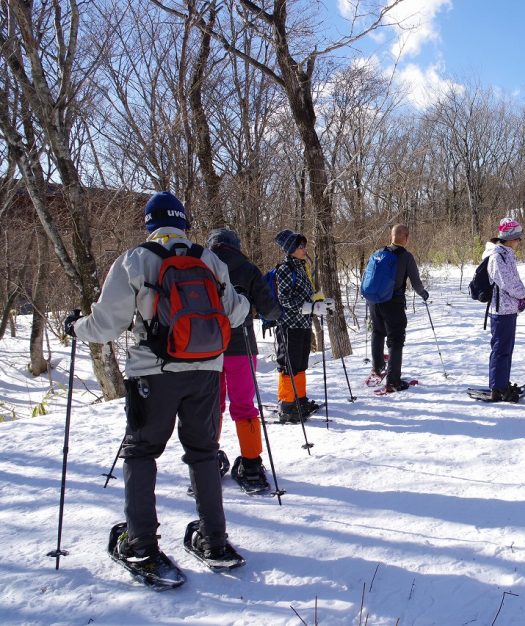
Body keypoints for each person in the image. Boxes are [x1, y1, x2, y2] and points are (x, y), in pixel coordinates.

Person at [64, 191, 249, 565]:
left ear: (149, 225)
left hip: (153, 373)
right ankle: (214, 540)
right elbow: (237, 313)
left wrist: (74, 327)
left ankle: (141, 542)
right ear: (183, 222)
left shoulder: (135, 260)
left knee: (142, 451)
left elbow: (104, 326)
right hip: (206, 371)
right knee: (203, 453)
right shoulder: (209, 259)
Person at [207, 228, 282, 490]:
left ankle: (207, 461)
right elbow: (269, 309)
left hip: (207, 348)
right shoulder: (248, 268)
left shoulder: (201, 266)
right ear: (235, 245)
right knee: (244, 406)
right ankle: (251, 464)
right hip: (241, 348)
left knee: (211, 406)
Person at [272, 229, 333, 423]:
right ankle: (287, 404)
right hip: (289, 325)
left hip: (303, 324)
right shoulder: (285, 269)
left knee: (300, 363)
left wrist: (320, 302)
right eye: (300, 246)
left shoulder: (301, 267)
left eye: (304, 245)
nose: (304, 249)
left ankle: (299, 399)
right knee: (288, 364)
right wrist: (311, 307)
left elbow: (306, 294)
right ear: (291, 249)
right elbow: (285, 299)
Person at [368, 224, 429, 394]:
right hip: (392, 302)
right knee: (396, 339)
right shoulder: (406, 256)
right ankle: (393, 381)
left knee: (378, 332)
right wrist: (423, 293)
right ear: (406, 238)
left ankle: (378, 367)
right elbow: (416, 283)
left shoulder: (378, 253)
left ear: (391, 236)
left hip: (374, 301)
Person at [482, 217, 525, 402]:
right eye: (518, 238)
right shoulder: (497, 256)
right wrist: (523, 294)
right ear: (510, 238)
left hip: (509, 309)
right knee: (500, 349)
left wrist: (523, 295)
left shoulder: (506, 254)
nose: (519, 242)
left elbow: (513, 280)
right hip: (500, 310)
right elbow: (508, 282)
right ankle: (497, 387)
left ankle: (502, 382)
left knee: (506, 349)